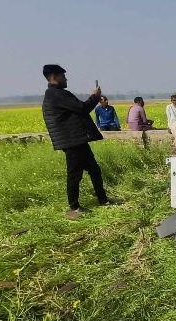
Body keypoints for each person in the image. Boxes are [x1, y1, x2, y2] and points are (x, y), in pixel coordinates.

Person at [41, 64, 111, 220]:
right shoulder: (56, 94)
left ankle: (103, 200)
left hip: (77, 139)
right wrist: (95, 96)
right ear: (54, 77)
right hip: (72, 140)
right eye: (63, 76)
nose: (66, 79)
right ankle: (74, 208)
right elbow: (82, 108)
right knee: (74, 175)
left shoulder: (57, 94)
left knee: (94, 170)